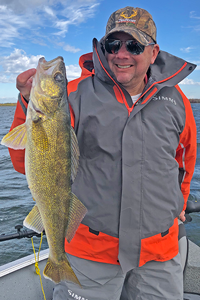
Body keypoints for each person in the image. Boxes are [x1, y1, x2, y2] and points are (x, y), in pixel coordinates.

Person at [9, 6, 197, 300]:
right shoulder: (72, 95)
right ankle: (58, 264)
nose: (122, 54)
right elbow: (24, 163)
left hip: (160, 253)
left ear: (153, 51)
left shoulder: (177, 101)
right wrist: (25, 102)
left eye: (134, 45)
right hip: (91, 253)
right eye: (113, 44)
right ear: (103, 48)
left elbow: (184, 162)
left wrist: (179, 204)